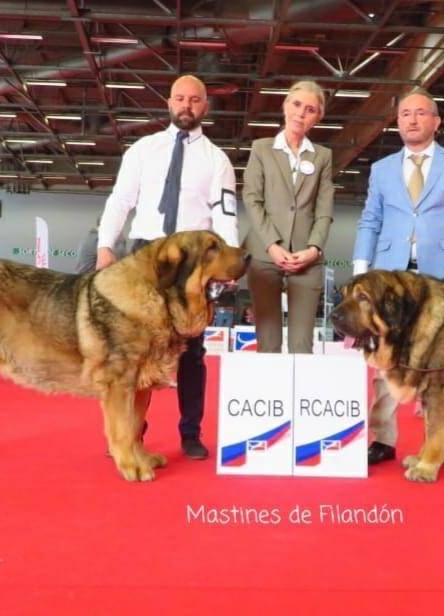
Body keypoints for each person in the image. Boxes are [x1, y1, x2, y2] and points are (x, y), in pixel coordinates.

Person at [95, 74, 238, 460]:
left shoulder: (217, 160)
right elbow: (120, 200)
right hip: (144, 258)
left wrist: (227, 264)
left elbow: (225, 217)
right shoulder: (143, 150)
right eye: (179, 98)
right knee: (134, 352)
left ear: (204, 107)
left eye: (194, 100)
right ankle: (131, 433)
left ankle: (190, 433)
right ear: (168, 103)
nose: (186, 106)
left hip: (192, 266)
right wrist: (105, 246)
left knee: (192, 353)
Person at [351, 88, 444, 471]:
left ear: (436, 121)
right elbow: (370, 221)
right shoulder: (381, 170)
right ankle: (382, 439)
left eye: (420, 113)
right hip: (389, 279)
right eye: (404, 114)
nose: (411, 119)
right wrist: (361, 270)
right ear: (397, 123)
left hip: (443, 278)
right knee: (384, 359)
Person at [242, 80, 334, 354]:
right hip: (264, 255)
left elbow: (324, 209)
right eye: (296, 104)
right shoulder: (261, 148)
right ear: (284, 105)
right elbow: (252, 199)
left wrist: (314, 249)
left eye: (310, 109)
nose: (301, 113)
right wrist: (272, 244)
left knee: (301, 346)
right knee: (268, 343)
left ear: (317, 117)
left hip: (307, 258)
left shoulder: (323, 156)